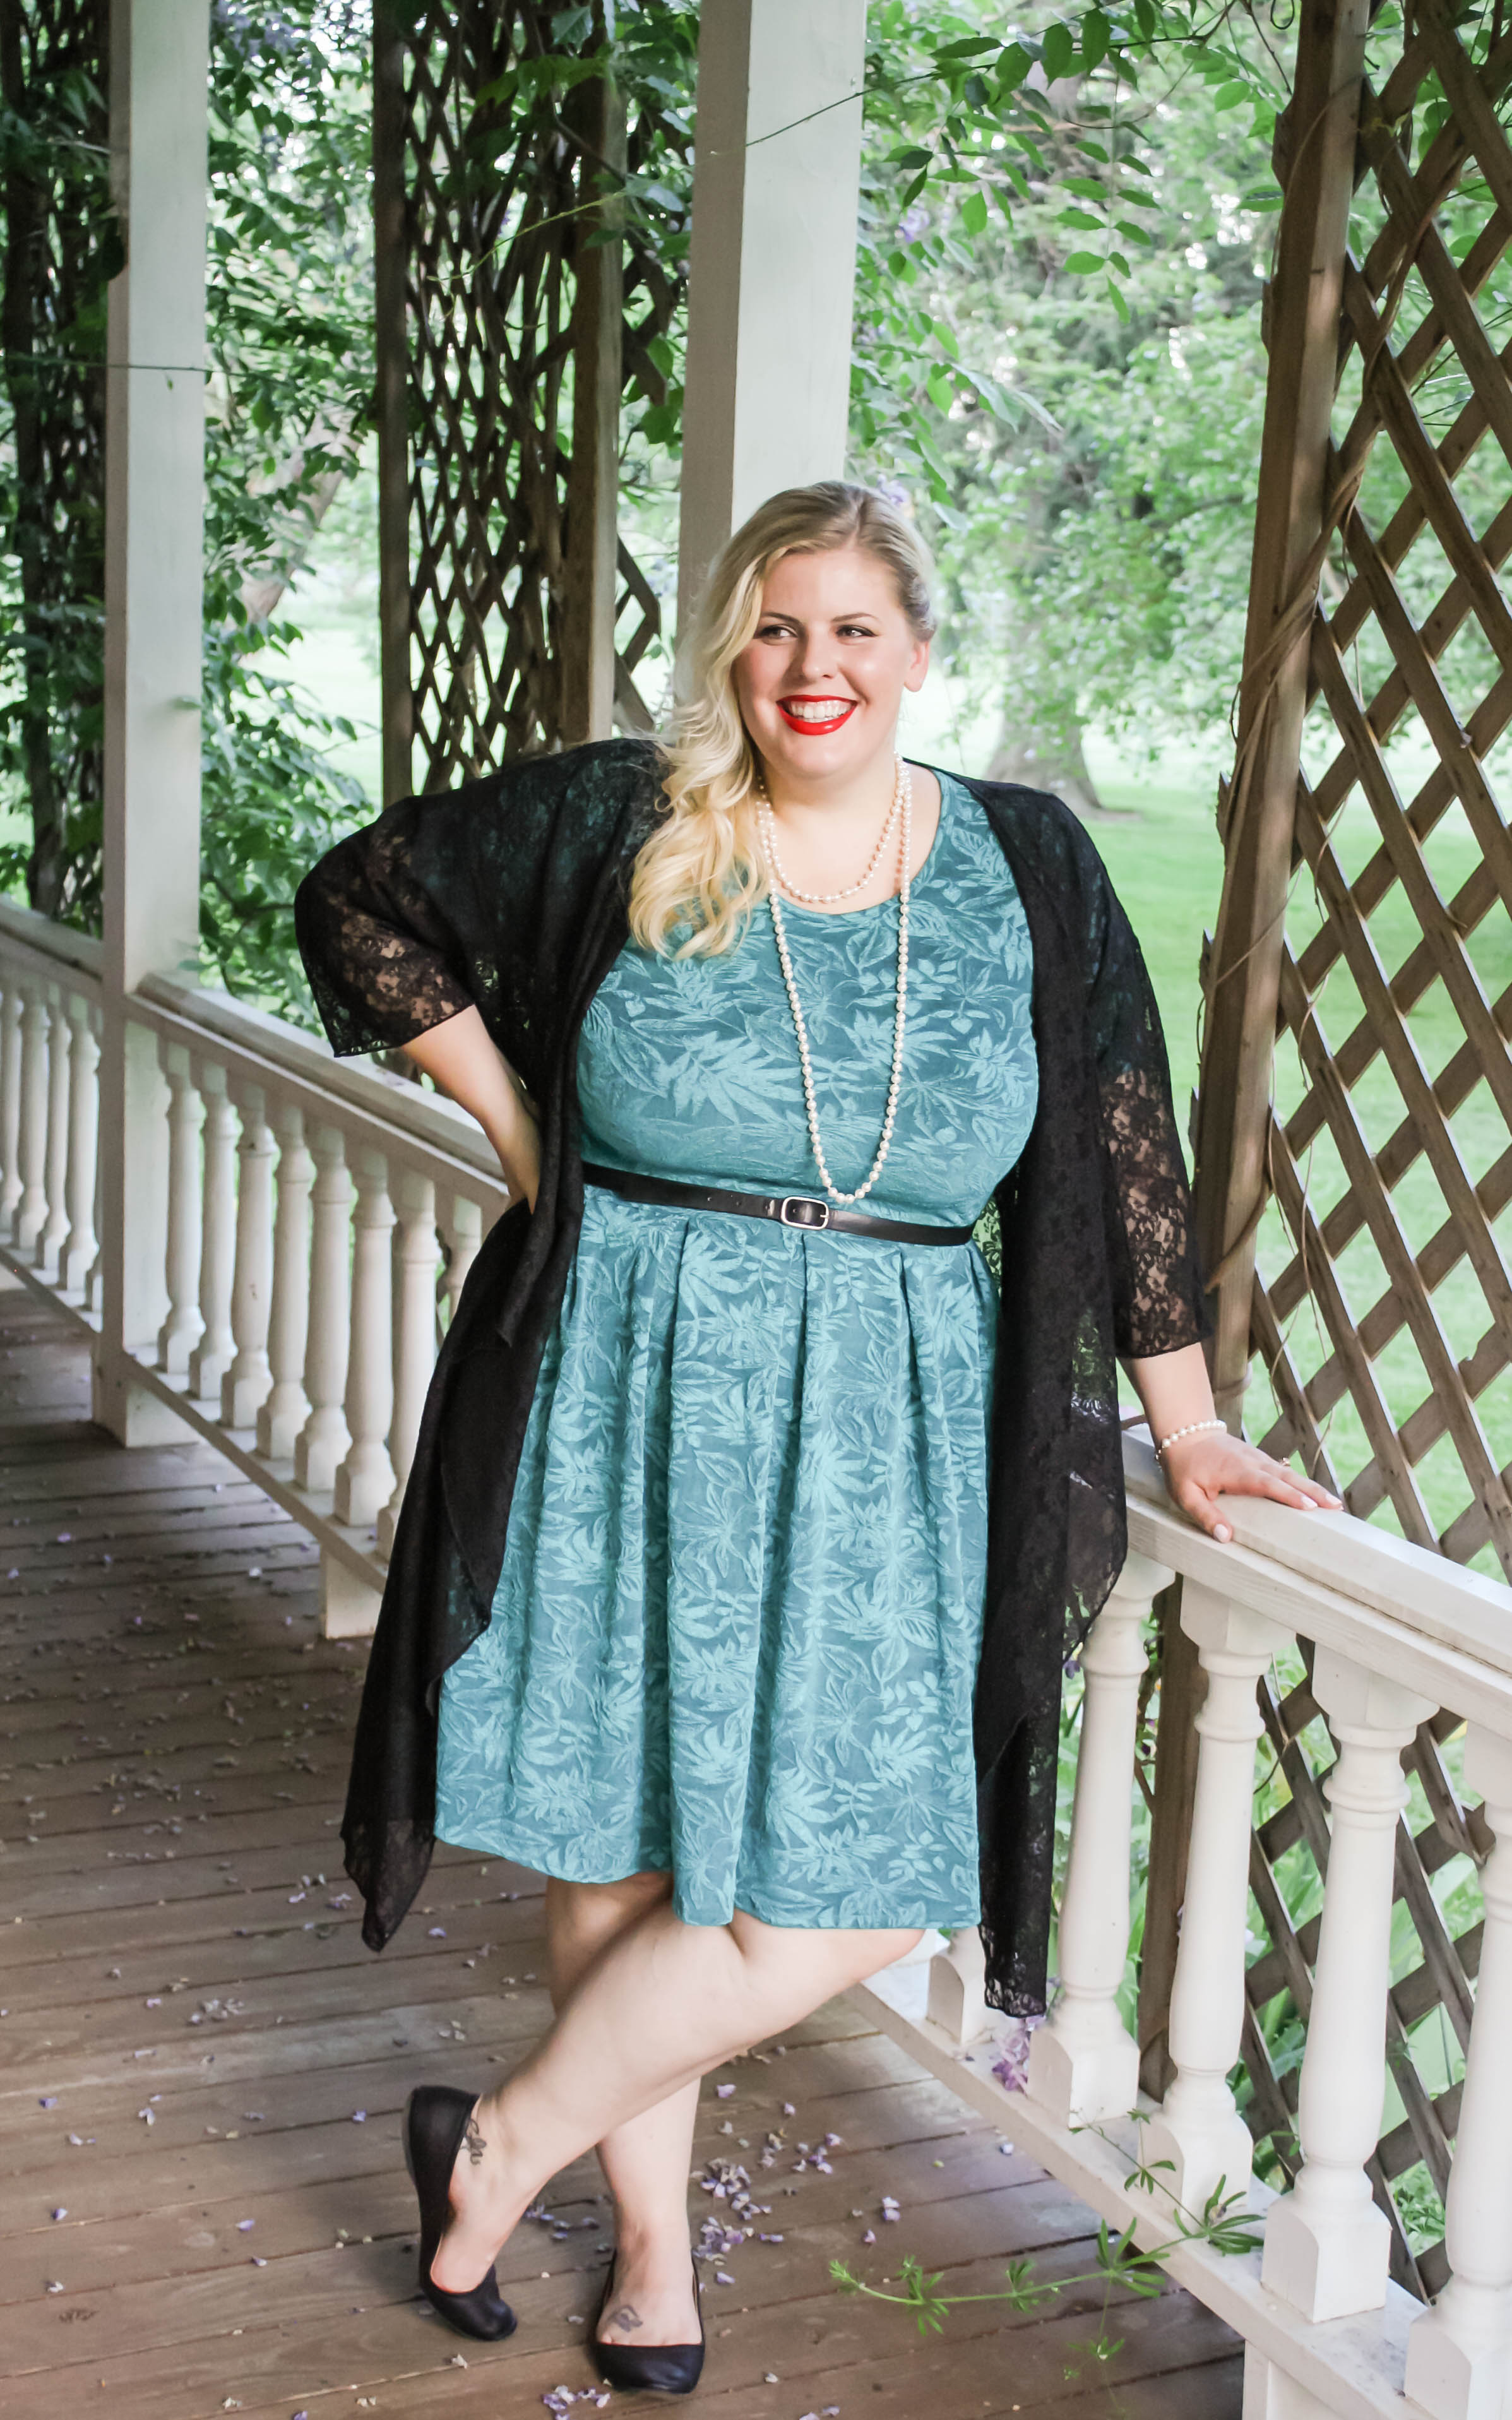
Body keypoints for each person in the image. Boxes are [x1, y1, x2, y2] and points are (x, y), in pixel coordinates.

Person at [295, 480, 1336, 2395]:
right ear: (733, 647)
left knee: (868, 1879)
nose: (812, 666)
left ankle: (501, 2141)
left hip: (894, 1403)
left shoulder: (1026, 863)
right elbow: (359, 900)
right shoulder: (630, 819)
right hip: (634, 1361)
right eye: (777, 626)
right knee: (624, 1835)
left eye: (855, 628)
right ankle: (653, 2258)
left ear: (918, 650)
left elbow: (1124, 1137)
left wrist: (1183, 1419)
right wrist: (527, 1139)